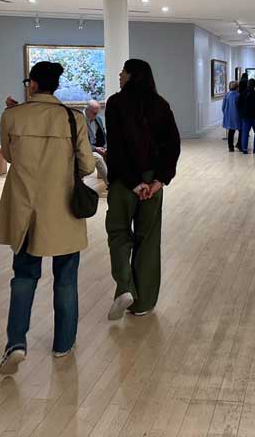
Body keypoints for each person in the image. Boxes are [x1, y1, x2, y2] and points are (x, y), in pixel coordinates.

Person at [0, 61, 96, 375]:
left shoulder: (11, 115)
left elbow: (9, 156)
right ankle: (63, 343)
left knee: (24, 276)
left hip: (24, 207)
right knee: (66, 277)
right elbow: (88, 166)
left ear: (33, 84)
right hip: (63, 207)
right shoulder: (72, 118)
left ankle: (16, 343)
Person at [104, 59, 181, 320]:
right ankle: (144, 302)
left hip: (125, 182)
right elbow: (173, 145)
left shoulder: (116, 103)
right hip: (153, 181)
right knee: (148, 239)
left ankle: (125, 287)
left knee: (118, 233)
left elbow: (116, 147)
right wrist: (159, 180)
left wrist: (134, 183)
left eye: (123, 72)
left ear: (132, 76)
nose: (120, 75)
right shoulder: (160, 105)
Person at [84, 99, 108, 186]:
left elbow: (103, 135)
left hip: (97, 146)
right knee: (98, 158)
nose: (96, 115)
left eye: (97, 113)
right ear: (86, 110)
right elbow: (79, 142)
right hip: (85, 148)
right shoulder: (79, 120)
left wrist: (105, 147)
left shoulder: (98, 119)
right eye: (94, 113)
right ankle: (110, 185)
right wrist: (95, 149)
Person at [238, 78, 255, 154]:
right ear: (254, 85)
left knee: (245, 133)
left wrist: (241, 114)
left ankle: (244, 149)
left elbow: (238, 105)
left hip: (245, 117)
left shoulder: (243, 93)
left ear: (247, 85)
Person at [221, 81, 240, 152]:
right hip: (237, 116)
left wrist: (225, 113)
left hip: (229, 116)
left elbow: (223, 107)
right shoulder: (238, 95)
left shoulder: (226, 95)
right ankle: (239, 145)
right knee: (241, 130)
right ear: (237, 87)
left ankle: (230, 147)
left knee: (231, 132)